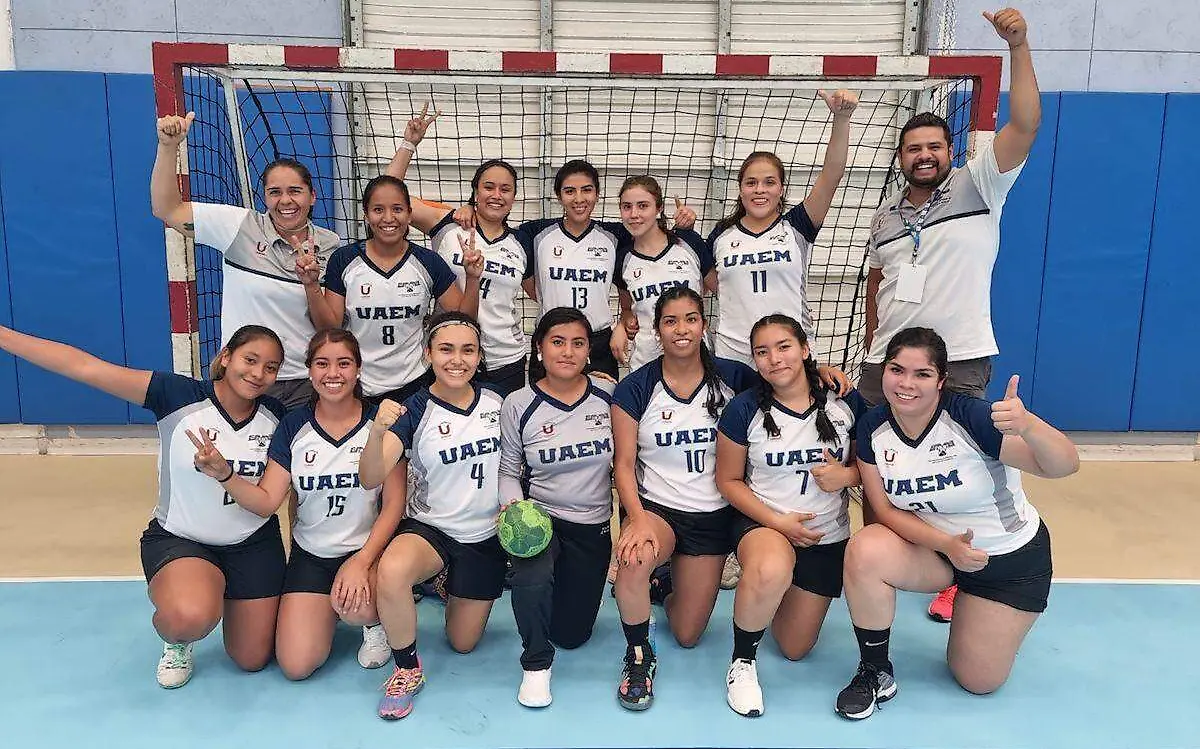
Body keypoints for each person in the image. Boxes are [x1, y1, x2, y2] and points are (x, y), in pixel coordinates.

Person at [860, 7, 1041, 622]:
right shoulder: (886, 218)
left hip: (958, 357)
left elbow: (1025, 123)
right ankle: (885, 562)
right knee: (881, 470)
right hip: (885, 363)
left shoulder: (981, 185)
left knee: (961, 467)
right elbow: (878, 283)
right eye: (914, 148)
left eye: (935, 145)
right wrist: (870, 344)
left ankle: (963, 568)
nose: (925, 155)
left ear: (950, 149)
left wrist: (1018, 45)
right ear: (902, 156)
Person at [0, 321, 289, 688]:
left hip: (253, 545)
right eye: (250, 359)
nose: (258, 373)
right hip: (184, 541)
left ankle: (232, 594)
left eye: (271, 367)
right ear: (226, 357)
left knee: (252, 659)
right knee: (189, 616)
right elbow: (83, 366)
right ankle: (177, 639)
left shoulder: (277, 416)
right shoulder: (174, 395)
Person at [834, 327, 1077, 721]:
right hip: (941, 553)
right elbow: (885, 510)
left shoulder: (971, 418)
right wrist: (947, 545)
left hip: (1007, 562)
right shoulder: (874, 426)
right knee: (866, 549)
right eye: (897, 370)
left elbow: (1064, 466)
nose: (907, 384)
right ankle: (875, 670)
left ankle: (986, 615)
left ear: (942, 380)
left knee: (977, 680)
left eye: (922, 374)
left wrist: (1028, 425)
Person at [200, 329, 406, 680]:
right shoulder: (293, 427)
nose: (333, 373)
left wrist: (361, 561)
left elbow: (394, 505)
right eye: (322, 364)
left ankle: (372, 620)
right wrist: (225, 475)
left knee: (356, 608)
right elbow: (267, 501)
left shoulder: (382, 423)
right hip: (311, 556)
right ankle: (330, 607)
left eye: (344, 363)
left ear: (357, 370)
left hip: (366, 552)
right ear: (310, 371)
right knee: (295, 665)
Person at [609, 286, 758, 711]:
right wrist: (635, 519)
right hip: (660, 512)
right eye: (670, 321)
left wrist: (817, 368)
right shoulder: (637, 387)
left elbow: (787, 381)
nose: (681, 329)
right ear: (658, 330)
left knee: (688, 634)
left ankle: (667, 583)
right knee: (634, 560)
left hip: (712, 519)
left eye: (690, 319)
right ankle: (639, 655)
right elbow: (623, 465)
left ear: (703, 325)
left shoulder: (735, 378)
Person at [714, 314, 868, 717]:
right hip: (767, 524)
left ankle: (769, 596)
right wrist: (777, 522)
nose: (773, 359)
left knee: (794, 648)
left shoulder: (845, 401)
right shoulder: (744, 409)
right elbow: (728, 480)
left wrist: (847, 474)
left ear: (804, 349)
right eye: (761, 352)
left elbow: (878, 465)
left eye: (783, 347)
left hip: (825, 537)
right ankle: (742, 663)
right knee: (769, 568)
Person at [359, 311, 508, 720]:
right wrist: (376, 433)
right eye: (446, 350)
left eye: (467, 350)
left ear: (479, 356)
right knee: (392, 571)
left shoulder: (499, 401)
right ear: (428, 354)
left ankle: (447, 584)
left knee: (462, 642)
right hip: (432, 529)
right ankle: (407, 668)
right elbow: (370, 477)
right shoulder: (415, 409)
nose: (457, 360)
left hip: (485, 536)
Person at [151, 112, 341, 409]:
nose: (286, 201)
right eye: (274, 192)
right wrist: (168, 146)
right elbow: (167, 210)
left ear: (313, 196)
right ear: (264, 197)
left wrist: (311, 283)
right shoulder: (238, 226)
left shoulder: (330, 245)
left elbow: (329, 327)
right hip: (244, 383)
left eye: (295, 191)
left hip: (304, 384)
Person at [499, 307, 616, 708]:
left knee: (572, 635)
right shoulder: (518, 403)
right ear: (539, 348)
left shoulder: (609, 397)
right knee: (531, 576)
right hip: (542, 518)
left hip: (592, 525)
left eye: (578, 343)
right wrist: (514, 510)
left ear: (589, 351)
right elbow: (508, 470)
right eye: (557, 342)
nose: (567, 352)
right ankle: (535, 664)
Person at [704, 89, 858, 382]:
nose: (759, 190)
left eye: (769, 182)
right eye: (751, 182)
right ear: (740, 189)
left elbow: (832, 174)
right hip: (733, 357)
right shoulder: (721, 235)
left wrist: (841, 118)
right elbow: (711, 286)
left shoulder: (798, 225)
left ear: (781, 189)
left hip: (789, 356)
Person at [386, 111, 531, 397]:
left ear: (514, 198)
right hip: (451, 354)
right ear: (475, 191)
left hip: (505, 360)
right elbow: (388, 195)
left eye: (506, 189)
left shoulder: (520, 243)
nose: (496, 195)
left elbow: (542, 291)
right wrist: (409, 143)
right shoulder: (446, 224)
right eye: (488, 187)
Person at [305, 173, 481, 406]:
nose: (388, 218)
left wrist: (472, 278)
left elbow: (463, 321)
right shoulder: (344, 260)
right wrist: (311, 284)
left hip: (415, 384)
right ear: (366, 215)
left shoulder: (429, 262)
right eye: (378, 210)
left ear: (409, 213)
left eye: (397, 209)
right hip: (358, 387)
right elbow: (329, 328)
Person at [609, 176, 712, 372]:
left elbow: (720, 288)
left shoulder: (688, 243)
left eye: (643, 206)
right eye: (626, 207)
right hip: (647, 363)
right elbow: (628, 309)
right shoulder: (623, 258)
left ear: (659, 208)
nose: (634, 214)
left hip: (695, 360)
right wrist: (621, 326)